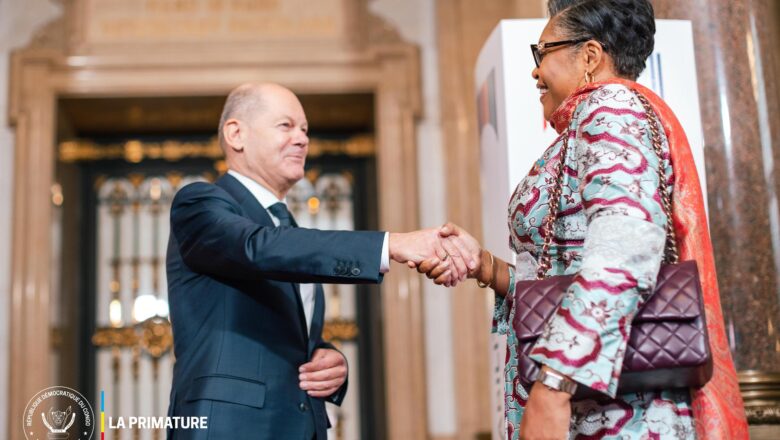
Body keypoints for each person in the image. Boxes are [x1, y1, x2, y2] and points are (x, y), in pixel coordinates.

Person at [419, 0, 749, 438]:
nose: (535, 72)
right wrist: (488, 267)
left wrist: (555, 382)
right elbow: (572, 274)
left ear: (590, 56)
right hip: (593, 403)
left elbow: (626, 244)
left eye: (543, 54)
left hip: (615, 413)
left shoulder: (610, 107)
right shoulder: (589, 123)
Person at [165, 82, 477, 439]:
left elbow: (279, 328)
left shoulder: (287, 226)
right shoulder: (199, 203)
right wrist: (392, 244)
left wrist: (329, 360)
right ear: (236, 134)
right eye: (286, 126)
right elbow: (256, 248)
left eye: (305, 130)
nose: (301, 139)